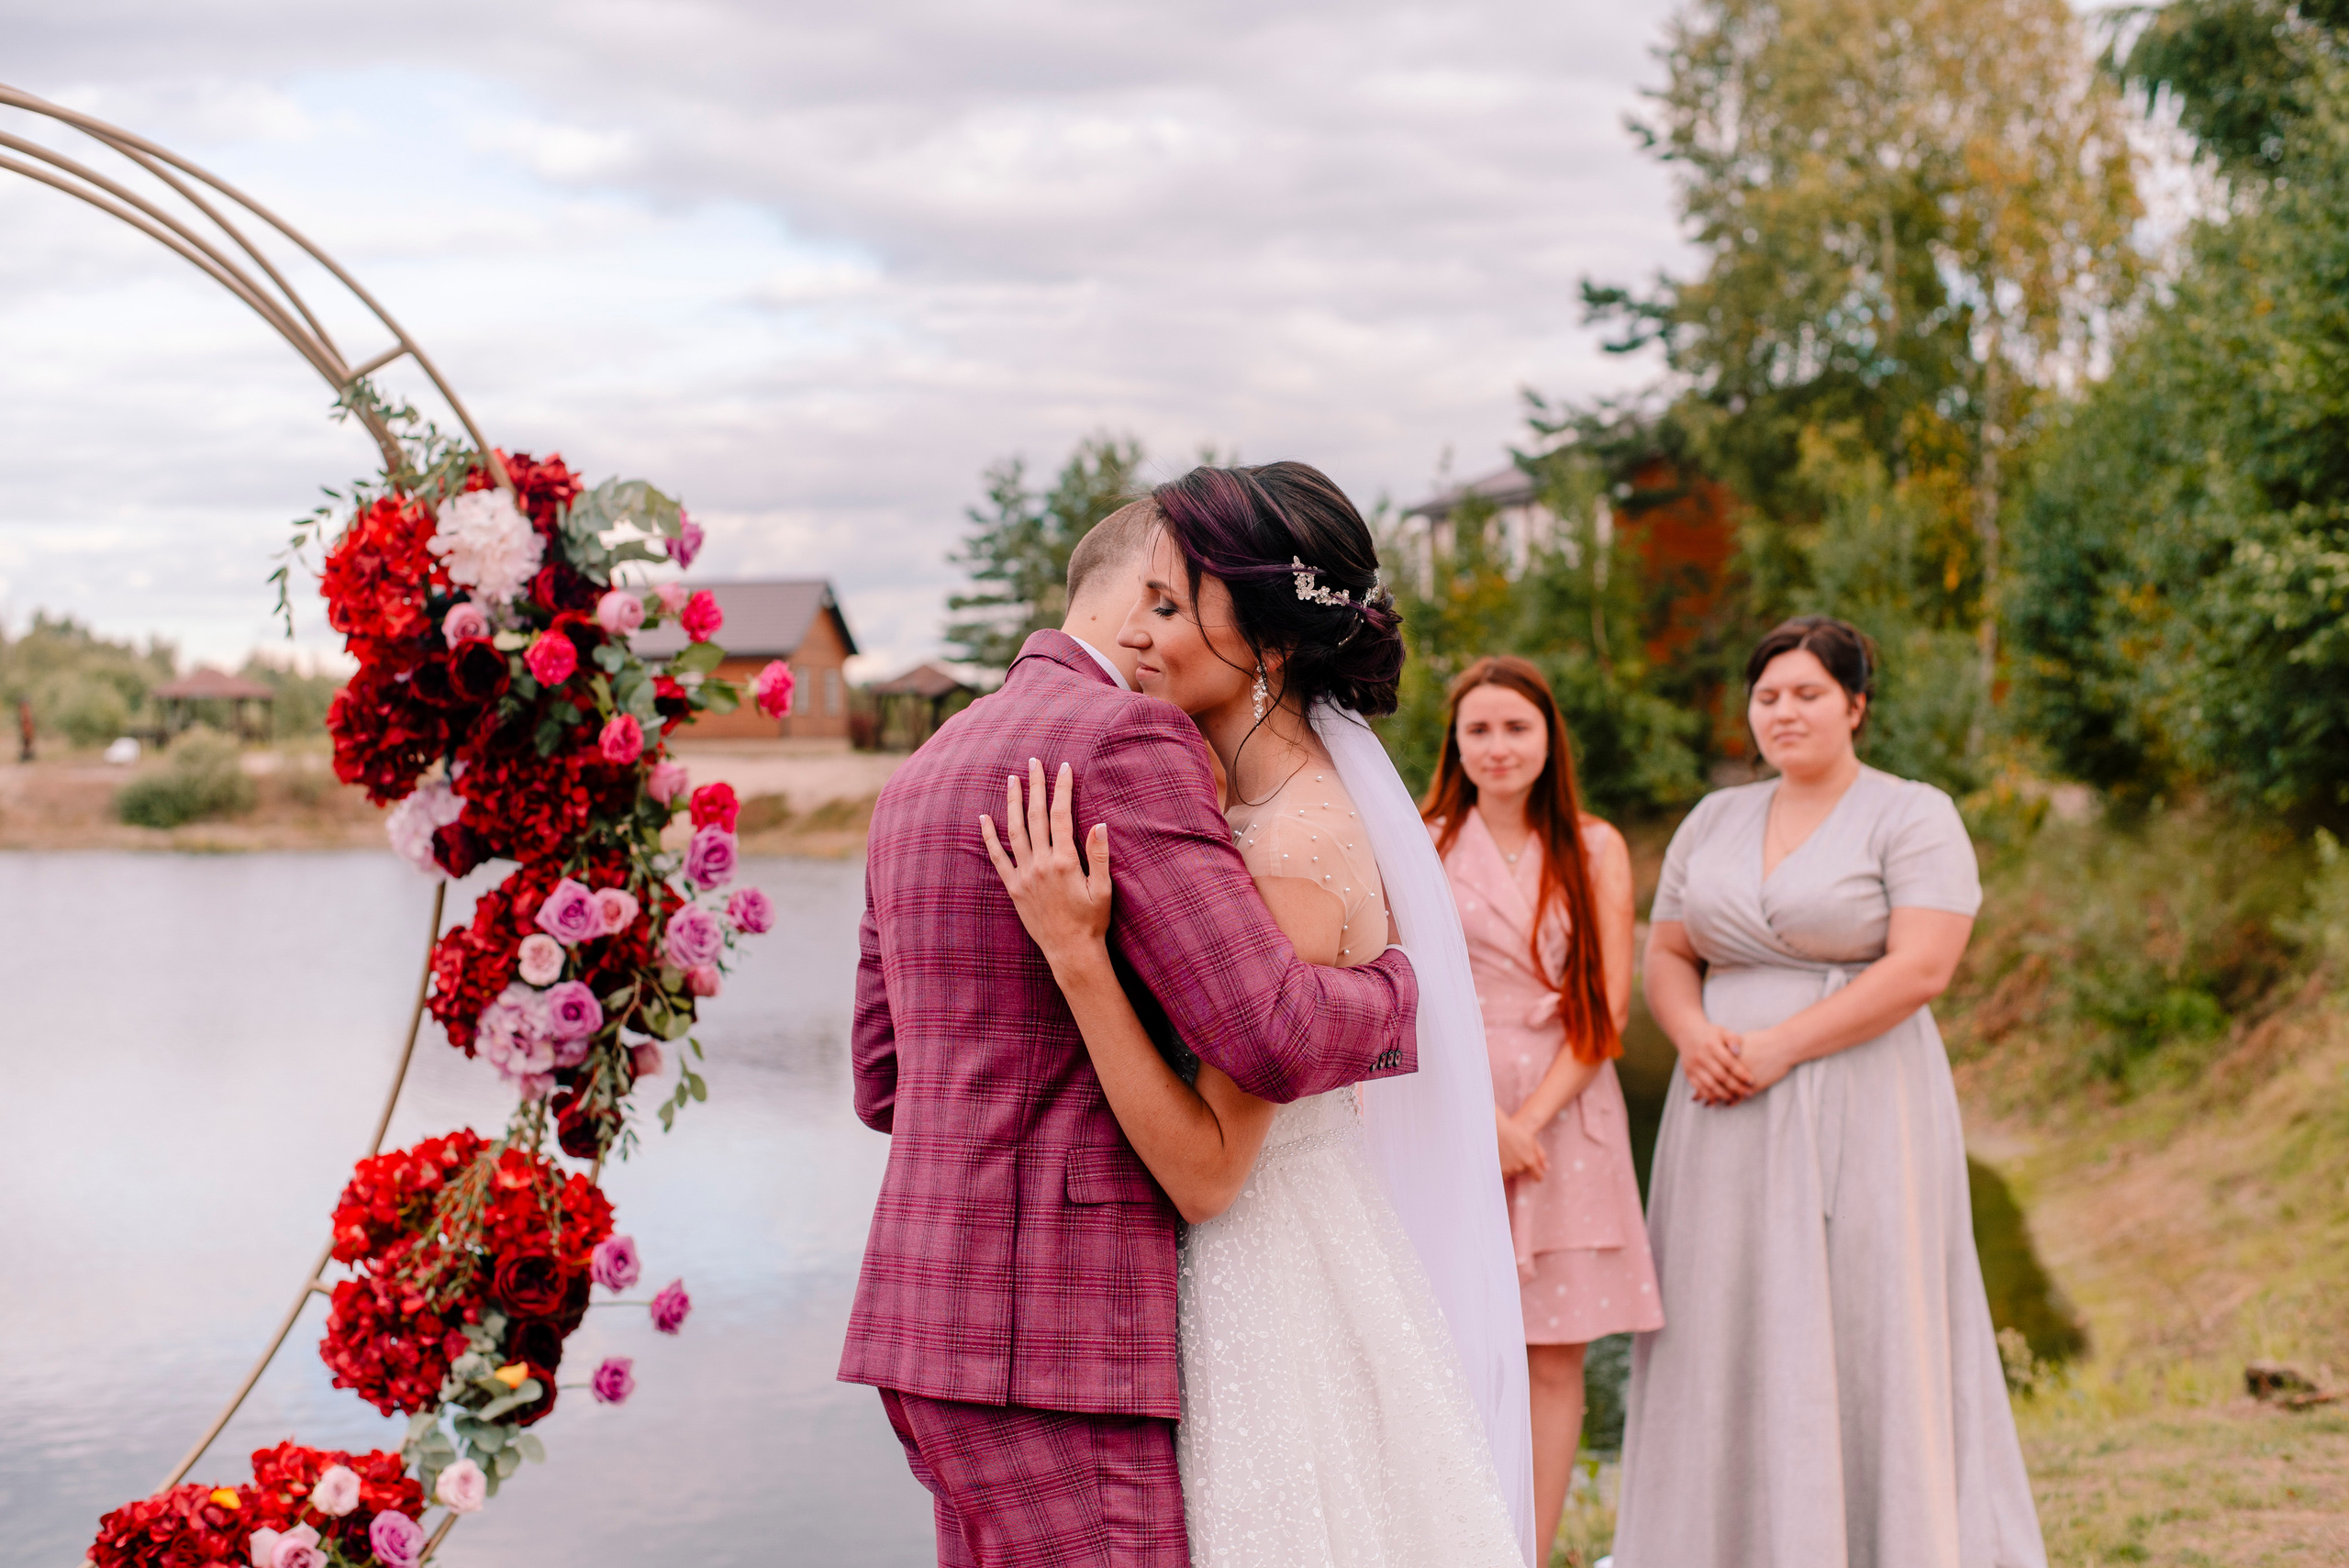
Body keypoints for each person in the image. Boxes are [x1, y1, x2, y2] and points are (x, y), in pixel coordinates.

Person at [842, 497, 1425, 1568]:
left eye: (1182, 602)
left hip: (924, 1326)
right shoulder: (1124, 738)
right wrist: (1398, 987)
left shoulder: (925, 765)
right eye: (1161, 596)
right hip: (1058, 1338)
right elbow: (1275, 1034)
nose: (1159, 629)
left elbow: (885, 1084)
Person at [982, 462, 1534, 1568]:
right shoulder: (1224, 808)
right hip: (1237, 1271)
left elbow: (1210, 1169)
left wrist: (1078, 955)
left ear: (1270, 646)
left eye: (1172, 605)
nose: (1134, 632)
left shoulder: (1291, 845)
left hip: (1263, 1294)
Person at [1612, 617, 2045, 1568]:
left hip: (1863, 1095)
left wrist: (1779, 1047)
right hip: (1718, 1102)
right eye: (1767, 695)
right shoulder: (1712, 819)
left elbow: (1921, 967)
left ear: (1855, 704)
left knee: (1866, 1304)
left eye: (1807, 692)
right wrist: (1693, 1035)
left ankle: (1878, 1538)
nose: (1784, 711)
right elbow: (1669, 951)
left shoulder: (1912, 813)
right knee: (1722, 1310)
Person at [1422, 655, 1658, 1557]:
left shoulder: (1593, 846)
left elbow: (1607, 1011)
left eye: (1515, 727)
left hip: (1567, 1121)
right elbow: (1406, 990)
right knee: (1456, 1341)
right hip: (1454, 1109)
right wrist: (1480, 1122)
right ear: (1456, 740)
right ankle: (1460, 1538)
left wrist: (1526, 1125)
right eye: (1478, 728)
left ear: (1548, 736)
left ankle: (1532, 1546)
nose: (1497, 746)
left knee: (1556, 1354)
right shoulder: (1428, 839)